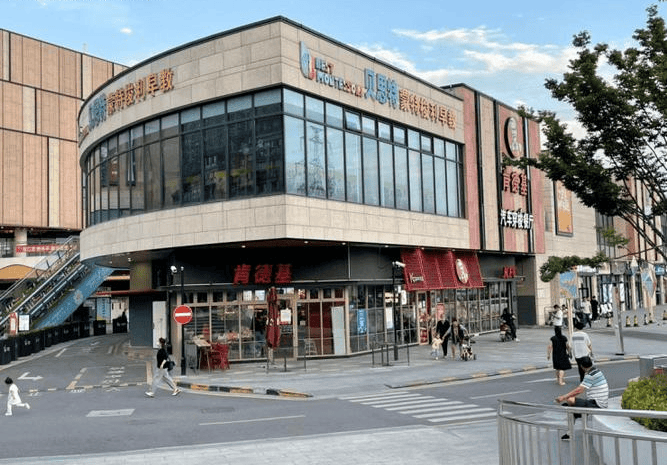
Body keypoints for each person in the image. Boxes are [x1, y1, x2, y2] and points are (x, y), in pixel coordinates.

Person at [555, 356, 608, 440]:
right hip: (598, 402)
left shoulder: (590, 375)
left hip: (596, 404)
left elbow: (579, 390)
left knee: (570, 400)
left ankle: (570, 432)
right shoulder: (597, 371)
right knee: (572, 408)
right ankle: (569, 433)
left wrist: (563, 397)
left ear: (582, 366)